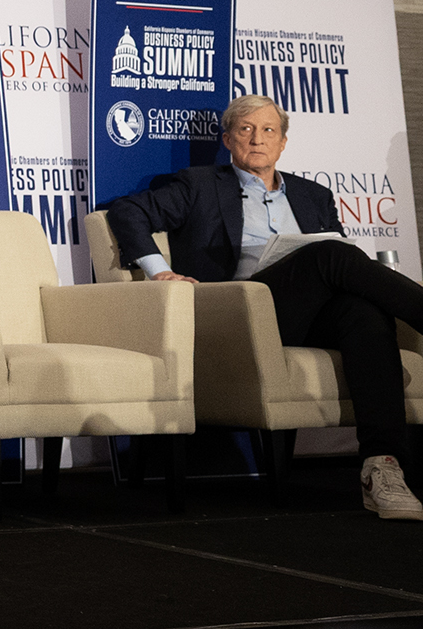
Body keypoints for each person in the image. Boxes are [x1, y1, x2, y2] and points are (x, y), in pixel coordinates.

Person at [108, 93, 423, 520]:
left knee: (364, 315)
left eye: (268, 130)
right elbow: (127, 211)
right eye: (246, 129)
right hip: (237, 315)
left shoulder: (313, 195)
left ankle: (382, 467)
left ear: (283, 142)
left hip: (302, 313)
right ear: (228, 140)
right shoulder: (198, 185)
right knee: (331, 255)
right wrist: (159, 271)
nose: (257, 139)